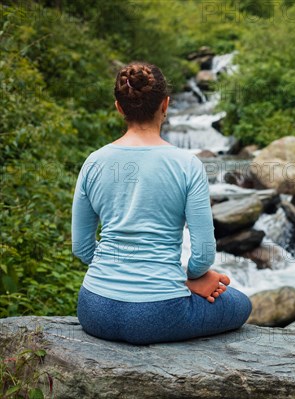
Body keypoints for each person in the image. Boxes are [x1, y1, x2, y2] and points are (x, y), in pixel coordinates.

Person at [72, 62, 252, 345]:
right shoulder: (187, 165)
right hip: (160, 313)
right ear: (165, 104)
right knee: (241, 304)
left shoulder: (93, 162)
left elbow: (81, 249)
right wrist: (192, 279)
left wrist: (118, 275)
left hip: (94, 309)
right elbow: (203, 255)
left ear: (119, 107)